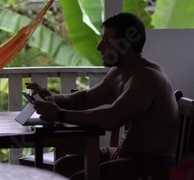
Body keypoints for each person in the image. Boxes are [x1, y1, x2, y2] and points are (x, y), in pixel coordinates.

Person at [27, 12, 179, 180]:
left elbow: (111, 117)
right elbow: (86, 98)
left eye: (106, 42)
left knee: (79, 177)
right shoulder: (118, 73)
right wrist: (53, 98)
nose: (99, 47)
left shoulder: (147, 77)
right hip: (124, 155)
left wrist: (59, 114)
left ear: (125, 46)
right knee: (63, 166)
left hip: (151, 165)